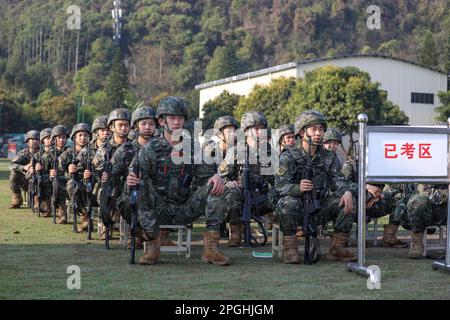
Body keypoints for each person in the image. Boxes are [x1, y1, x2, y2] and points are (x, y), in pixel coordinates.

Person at [127, 96, 228, 266]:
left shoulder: (192, 147)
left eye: (180, 118)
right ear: (161, 120)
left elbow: (205, 174)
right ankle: (152, 245)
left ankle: (211, 248)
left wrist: (215, 176)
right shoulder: (150, 148)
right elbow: (134, 175)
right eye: (172, 118)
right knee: (139, 185)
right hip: (158, 208)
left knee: (215, 186)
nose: (176, 122)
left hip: (185, 207)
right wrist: (132, 179)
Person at [275, 110, 357, 264]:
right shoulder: (289, 155)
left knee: (348, 201)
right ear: (301, 132)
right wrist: (297, 188)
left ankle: (336, 248)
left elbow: (337, 179)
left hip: (320, 205)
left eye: (321, 129)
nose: (318, 133)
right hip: (296, 207)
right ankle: (291, 249)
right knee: (288, 203)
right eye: (313, 129)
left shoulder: (328, 156)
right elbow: (280, 186)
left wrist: (346, 191)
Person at [218, 111, 277, 247]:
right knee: (233, 193)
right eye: (255, 128)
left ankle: (282, 232)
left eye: (261, 128)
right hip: (241, 197)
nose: (259, 132)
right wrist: (229, 182)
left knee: (279, 195)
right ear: (245, 131)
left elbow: (277, 180)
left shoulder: (270, 153)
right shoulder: (236, 151)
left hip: (261, 198)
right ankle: (236, 232)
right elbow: (222, 175)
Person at [9, 130, 40, 209]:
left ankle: (38, 200)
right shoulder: (23, 154)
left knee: (32, 205)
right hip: (26, 181)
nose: (35, 141)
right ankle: (17, 198)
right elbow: (11, 165)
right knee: (14, 173)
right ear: (27, 142)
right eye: (32, 139)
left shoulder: (43, 154)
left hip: (39, 182)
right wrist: (24, 167)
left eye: (37, 139)